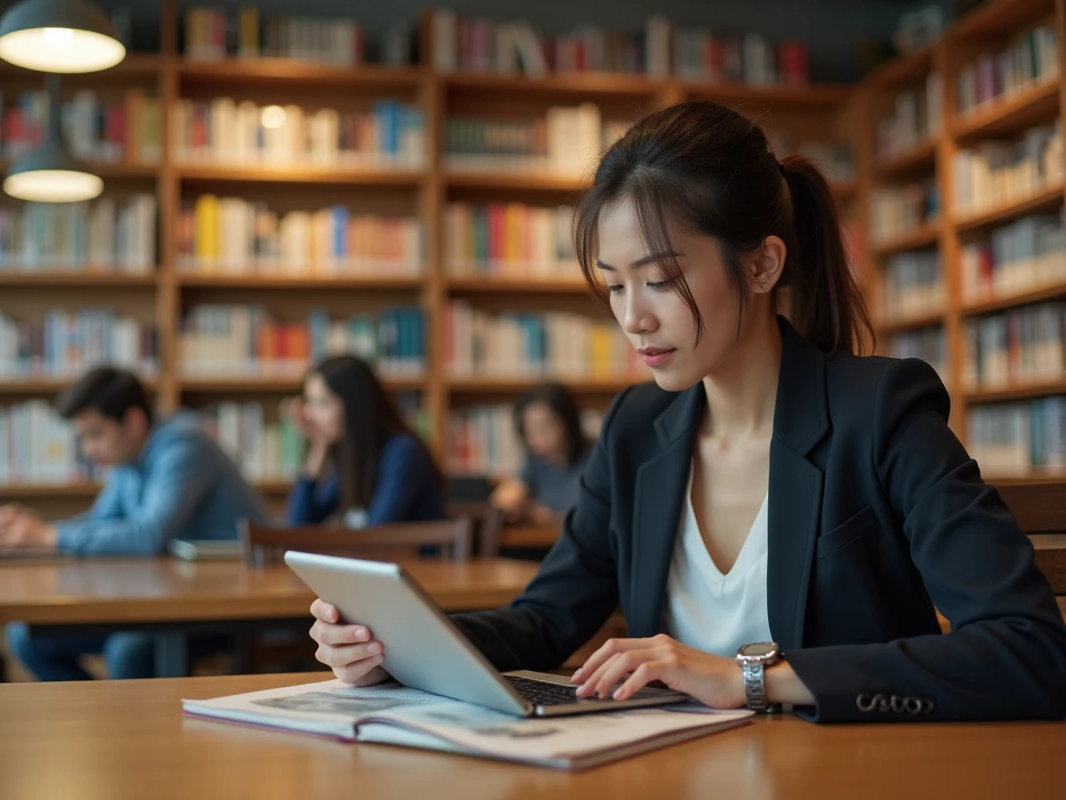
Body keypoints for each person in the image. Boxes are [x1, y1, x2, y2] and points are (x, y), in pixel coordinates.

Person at [304, 101, 1066, 722]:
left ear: (762, 264)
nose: (632, 318)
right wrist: (395, 647)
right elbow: (545, 619)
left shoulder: (880, 412)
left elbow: (1032, 649)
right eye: (614, 285)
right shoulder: (636, 430)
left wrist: (750, 678)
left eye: (661, 280)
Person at [0, 366, 268, 680]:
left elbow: (148, 534)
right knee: (27, 638)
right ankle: (101, 714)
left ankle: (128, 713)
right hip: (168, 598)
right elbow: (100, 521)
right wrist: (27, 532)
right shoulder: (128, 457)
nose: (88, 449)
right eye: (83, 437)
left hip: (226, 603)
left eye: (95, 434)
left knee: (128, 650)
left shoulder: (184, 445)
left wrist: (47, 536)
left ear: (133, 421)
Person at [286, 355, 444, 527]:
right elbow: (299, 527)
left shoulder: (403, 453)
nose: (309, 414)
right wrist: (319, 445)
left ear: (354, 407)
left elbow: (375, 534)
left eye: (322, 403)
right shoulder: (354, 456)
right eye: (309, 401)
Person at [491, 383, 592, 523]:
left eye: (544, 428)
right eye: (529, 431)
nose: (536, 439)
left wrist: (552, 517)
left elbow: (598, 515)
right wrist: (517, 507)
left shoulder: (595, 457)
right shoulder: (536, 460)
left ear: (567, 423)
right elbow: (504, 499)